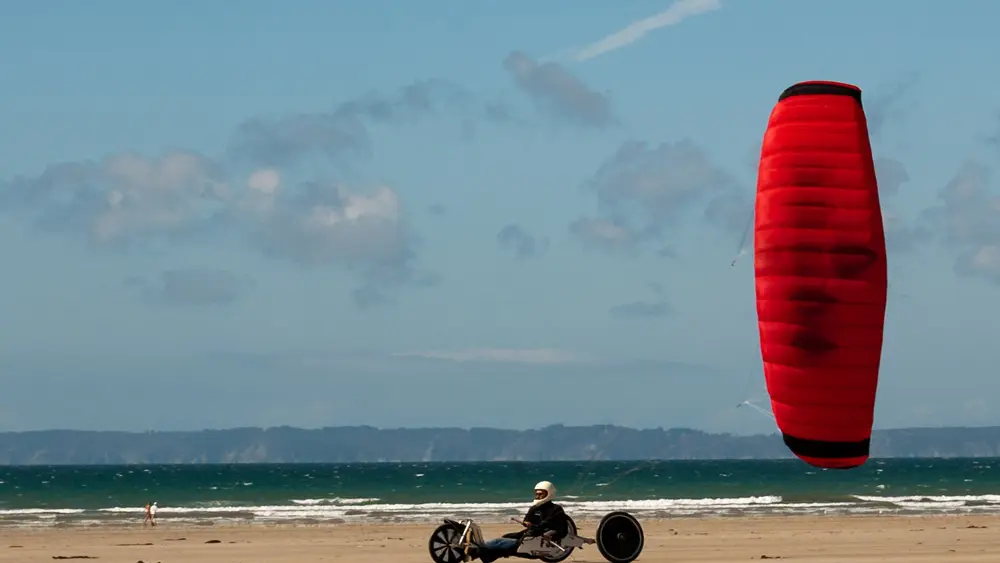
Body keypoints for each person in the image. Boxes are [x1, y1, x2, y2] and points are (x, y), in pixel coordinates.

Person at [470, 481, 570, 563]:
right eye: (537, 494)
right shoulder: (535, 508)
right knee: (503, 539)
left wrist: (536, 527)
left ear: (549, 494)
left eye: (541, 494)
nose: (538, 496)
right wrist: (526, 522)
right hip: (530, 535)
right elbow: (527, 519)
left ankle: (477, 550)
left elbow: (549, 523)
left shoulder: (556, 509)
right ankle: (482, 553)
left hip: (537, 539)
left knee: (501, 544)